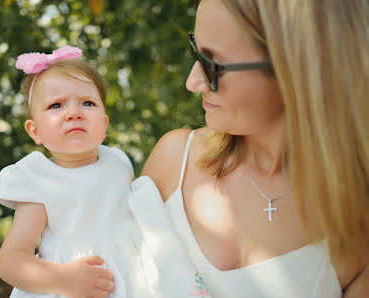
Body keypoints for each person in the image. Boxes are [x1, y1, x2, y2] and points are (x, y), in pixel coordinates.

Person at [141, 0, 369, 297]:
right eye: (196, 52)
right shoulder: (174, 162)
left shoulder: (357, 222)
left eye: (212, 65)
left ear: (298, 69)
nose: (192, 81)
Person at [0, 46, 207, 298]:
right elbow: (10, 259)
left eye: (87, 103)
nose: (74, 113)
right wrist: (61, 279)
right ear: (35, 131)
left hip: (133, 280)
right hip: (70, 284)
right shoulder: (39, 179)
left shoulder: (118, 161)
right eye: (56, 106)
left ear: (104, 124)